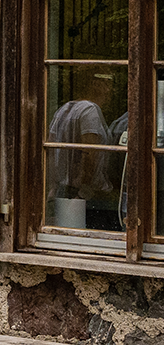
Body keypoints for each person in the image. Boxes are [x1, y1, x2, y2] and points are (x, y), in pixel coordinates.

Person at [46, 69, 117, 230]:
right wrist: (85, 192)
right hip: (86, 197)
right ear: (96, 84)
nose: (111, 90)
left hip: (64, 192)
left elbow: (50, 151)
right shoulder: (90, 110)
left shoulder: (64, 109)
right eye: (108, 83)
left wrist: (53, 186)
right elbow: (90, 153)